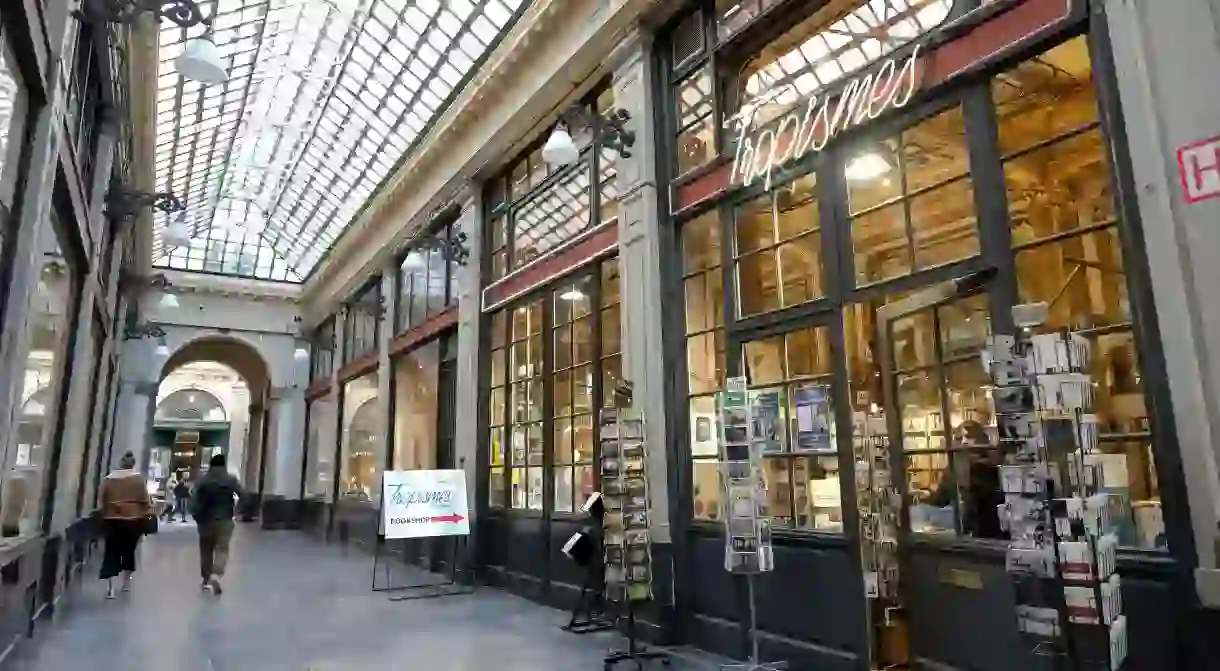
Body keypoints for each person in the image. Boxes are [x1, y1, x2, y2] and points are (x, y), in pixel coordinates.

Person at [915, 420, 1005, 539]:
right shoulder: (955, 466)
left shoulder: (993, 464)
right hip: (967, 532)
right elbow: (942, 497)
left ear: (980, 439)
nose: (964, 442)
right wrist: (923, 497)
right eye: (959, 438)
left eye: (968, 437)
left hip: (993, 533)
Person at [99, 452, 152, 599]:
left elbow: (103, 500)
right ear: (133, 464)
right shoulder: (138, 480)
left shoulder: (108, 479)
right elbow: (145, 501)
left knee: (111, 551)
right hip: (133, 520)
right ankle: (126, 583)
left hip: (112, 519)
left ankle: (110, 588)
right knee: (129, 551)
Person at [191, 453, 243, 595]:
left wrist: (196, 515)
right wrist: (238, 510)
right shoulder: (231, 480)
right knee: (222, 549)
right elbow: (243, 495)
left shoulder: (202, 480)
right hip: (225, 519)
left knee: (206, 550)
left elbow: (194, 499)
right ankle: (216, 574)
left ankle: (206, 579)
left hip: (205, 521)